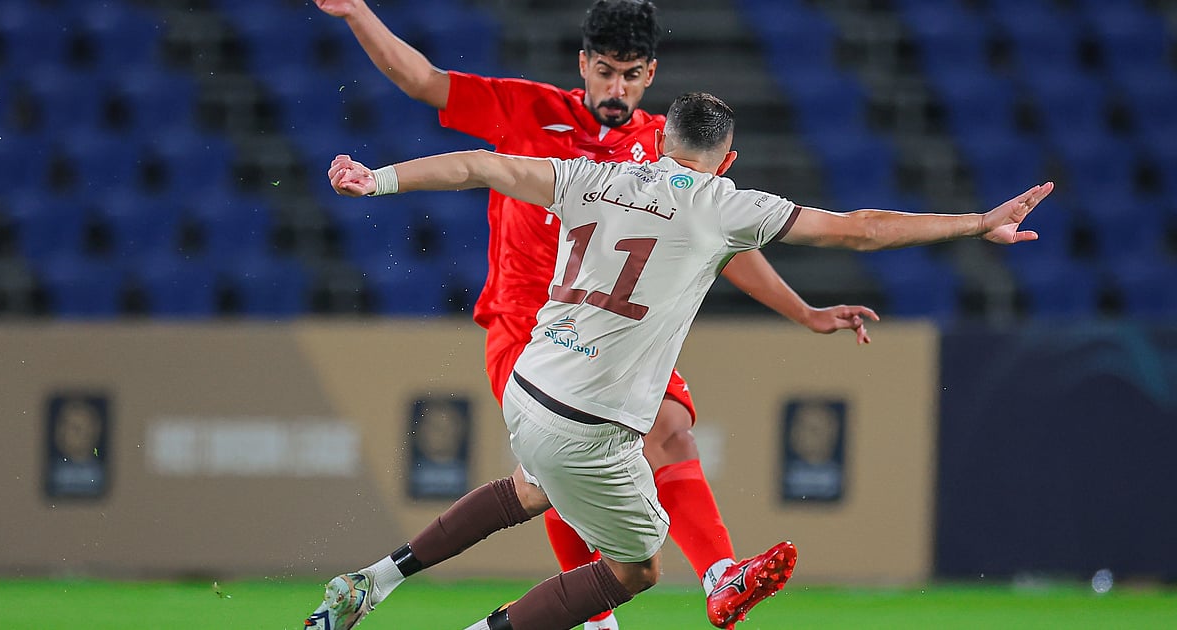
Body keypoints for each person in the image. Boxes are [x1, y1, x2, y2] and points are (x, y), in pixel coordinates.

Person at [304, 91, 1054, 630]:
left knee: (531, 489)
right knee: (638, 568)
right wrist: (976, 222)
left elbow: (478, 165)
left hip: (529, 384)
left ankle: (372, 581)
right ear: (728, 159)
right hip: (590, 425)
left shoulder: (592, 175)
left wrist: (379, 179)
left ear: (661, 140)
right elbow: (859, 228)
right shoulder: (725, 205)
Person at [312, 1, 876, 626]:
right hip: (527, 323)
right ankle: (590, 616)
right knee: (553, 479)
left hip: (614, 327)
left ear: (650, 74)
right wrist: (357, 12)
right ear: (582, 65)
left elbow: (724, 244)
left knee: (659, 434)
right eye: (605, 71)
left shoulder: (663, 147)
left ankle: (717, 576)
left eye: (630, 75)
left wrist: (803, 312)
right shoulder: (526, 107)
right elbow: (423, 81)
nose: (616, 89)